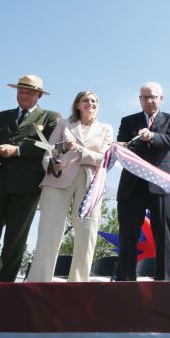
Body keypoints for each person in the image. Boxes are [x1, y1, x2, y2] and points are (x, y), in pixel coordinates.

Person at [0, 75, 59, 282]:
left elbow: (50, 147)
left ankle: (4, 287)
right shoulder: (0, 117)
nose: (23, 95)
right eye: (20, 91)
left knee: (16, 239)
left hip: (27, 187)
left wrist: (18, 150)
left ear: (39, 95)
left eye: (29, 92)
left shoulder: (50, 117)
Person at [27, 91, 113, 282]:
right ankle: (38, 282)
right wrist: (51, 165)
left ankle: (79, 283)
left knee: (87, 233)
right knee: (48, 231)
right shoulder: (63, 124)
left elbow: (103, 159)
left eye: (94, 100)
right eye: (86, 100)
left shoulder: (106, 128)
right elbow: (49, 152)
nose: (90, 103)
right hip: (58, 180)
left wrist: (78, 149)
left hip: (90, 183)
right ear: (77, 104)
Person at [116, 82, 170, 281]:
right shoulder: (128, 121)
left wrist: (151, 136)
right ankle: (125, 281)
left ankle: (164, 281)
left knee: (163, 235)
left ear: (161, 98)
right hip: (131, 185)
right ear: (139, 100)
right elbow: (123, 146)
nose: (149, 101)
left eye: (153, 97)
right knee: (127, 235)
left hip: (161, 185)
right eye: (144, 97)